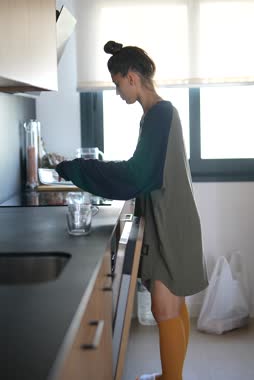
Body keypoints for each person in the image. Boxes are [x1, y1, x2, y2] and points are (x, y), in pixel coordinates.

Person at [56, 41, 208, 380]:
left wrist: (77, 169)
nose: (116, 92)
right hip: (170, 218)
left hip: (171, 221)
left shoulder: (159, 115)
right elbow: (141, 172)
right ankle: (171, 376)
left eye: (116, 84)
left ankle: (171, 378)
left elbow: (134, 177)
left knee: (164, 307)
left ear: (131, 77)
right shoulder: (157, 114)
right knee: (172, 306)